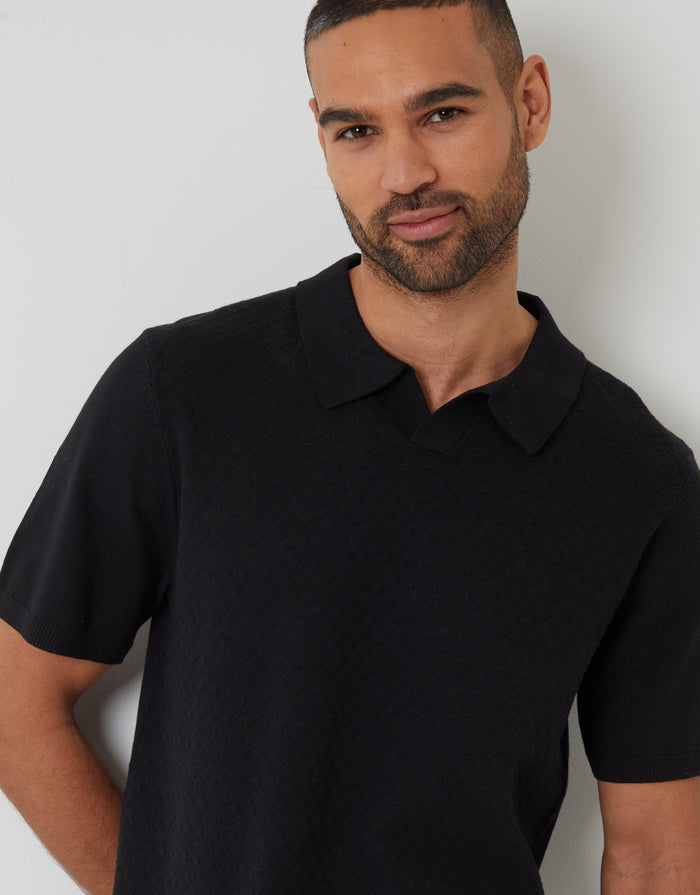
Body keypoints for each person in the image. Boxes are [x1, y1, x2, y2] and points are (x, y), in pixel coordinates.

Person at [1, 0, 699, 892]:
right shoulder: (183, 391)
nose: (405, 174)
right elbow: (14, 698)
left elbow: (655, 850)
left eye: (442, 113)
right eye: (358, 131)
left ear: (529, 104)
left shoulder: (638, 477)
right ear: (322, 138)